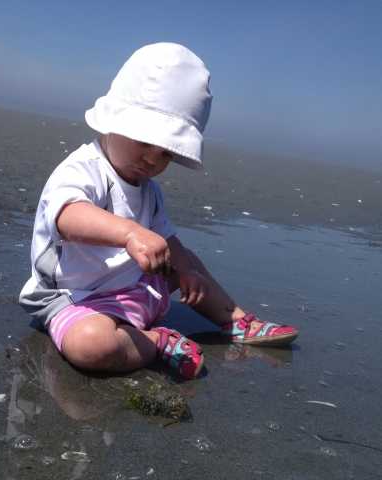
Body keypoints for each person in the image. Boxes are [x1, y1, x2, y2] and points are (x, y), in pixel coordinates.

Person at [19, 43, 298, 380]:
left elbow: (165, 239)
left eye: (166, 153)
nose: (152, 159)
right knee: (90, 346)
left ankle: (234, 319)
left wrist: (185, 270)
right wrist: (130, 233)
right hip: (76, 300)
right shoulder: (82, 169)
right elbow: (67, 217)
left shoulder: (149, 190)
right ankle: (157, 341)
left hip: (137, 290)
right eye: (144, 141)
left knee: (186, 259)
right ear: (112, 122)